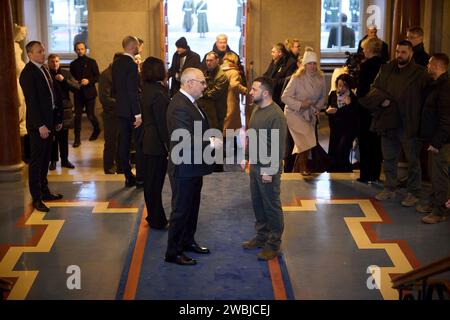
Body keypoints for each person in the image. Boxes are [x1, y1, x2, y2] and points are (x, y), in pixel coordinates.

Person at [359, 40, 430, 206]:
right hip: (388, 121)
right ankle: (390, 188)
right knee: (389, 158)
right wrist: (382, 99)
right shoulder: (387, 68)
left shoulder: (420, 73)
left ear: (411, 53)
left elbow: (427, 98)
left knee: (413, 160)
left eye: (403, 52)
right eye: (398, 51)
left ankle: (414, 192)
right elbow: (374, 88)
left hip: (409, 123)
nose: (399, 55)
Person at [165, 68, 214, 265]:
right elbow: (183, 138)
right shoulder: (179, 105)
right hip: (184, 166)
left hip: (193, 164)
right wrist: (210, 141)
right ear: (189, 83)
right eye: (202, 82)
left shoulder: (191, 103)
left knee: (192, 207)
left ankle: (187, 241)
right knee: (181, 210)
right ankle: (173, 252)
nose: (205, 86)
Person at [241, 76, 287, 261]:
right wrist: (246, 157)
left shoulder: (276, 115)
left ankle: (273, 244)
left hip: (268, 168)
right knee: (258, 203)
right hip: (255, 165)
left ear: (266, 92)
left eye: (254, 89)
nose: (250, 92)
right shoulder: (256, 110)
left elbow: (278, 146)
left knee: (271, 206)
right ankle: (261, 236)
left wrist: (269, 170)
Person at [19, 41, 64, 212]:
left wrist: (58, 118)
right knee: (37, 162)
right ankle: (36, 198)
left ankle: (45, 191)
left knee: (46, 159)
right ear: (30, 54)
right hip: (39, 125)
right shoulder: (28, 73)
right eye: (39, 51)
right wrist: (41, 125)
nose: (42, 53)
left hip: (50, 120)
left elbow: (54, 94)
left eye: (43, 50)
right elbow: (33, 102)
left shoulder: (44, 68)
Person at [281, 49, 326, 176]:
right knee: (307, 136)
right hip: (293, 113)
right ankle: (303, 166)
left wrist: (317, 107)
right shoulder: (297, 78)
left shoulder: (320, 78)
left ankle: (297, 167)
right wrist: (301, 104)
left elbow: (323, 96)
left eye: (314, 63)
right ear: (304, 65)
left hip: (310, 113)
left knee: (304, 142)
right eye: (309, 63)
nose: (312, 66)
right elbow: (284, 97)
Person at [417, 53, 450, 224]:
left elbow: (446, 118)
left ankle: (440, 211)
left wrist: (437, 142)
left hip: (440, 142)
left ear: (437, 66)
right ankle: (432, 203)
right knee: (433, 174)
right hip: (433, 139)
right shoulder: (436, 85)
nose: (427, 67)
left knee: (439, 177)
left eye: (429, 64)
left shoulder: (445, 88)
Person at [141, 57, 170, 229]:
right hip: (156, 144)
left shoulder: (147, 89)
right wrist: (170, 146)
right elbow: (162, 124)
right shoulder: (159, 92)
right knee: (154, 184)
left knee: (151, 183)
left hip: (148, 140)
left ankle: (153, 216)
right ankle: (157, 219)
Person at [112, 36, 143, 188]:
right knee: (139, 144)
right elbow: (133, 91)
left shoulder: (116, 63)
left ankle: (127, 175)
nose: (139, 48)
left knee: (123, 144)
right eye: (137, 46)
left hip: (120, 110)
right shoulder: (131, 65)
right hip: (132, 111)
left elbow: (115, 89)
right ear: (132, 47)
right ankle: (141, 176)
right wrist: (138, 113)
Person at [356, 37, 385, 183]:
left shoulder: (366, 66)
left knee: (365, 142)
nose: (363, 51)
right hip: (380, 109)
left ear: (369, 49)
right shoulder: (385, 65)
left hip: (366, 109)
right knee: (376, 143)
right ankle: (375, 174)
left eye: (363, 49)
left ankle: (365, 175)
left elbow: (361, 91)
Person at [48, 53, 78, 170]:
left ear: (59, 62)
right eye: (52, 62)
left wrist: (64, 80)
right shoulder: (47, 74)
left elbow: (76, 88)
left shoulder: (65, 73)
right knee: (53, 137)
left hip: (65, 110)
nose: (54, 64)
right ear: (48, 63)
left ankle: (65, 160)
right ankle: (53, 161)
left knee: (64, 137)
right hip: (51, 109)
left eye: (56, 61)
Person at [69, 41, 101, 147]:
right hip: (78, 93)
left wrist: (88, 80)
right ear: (75, 50)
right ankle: (77, 139)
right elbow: (71, 79)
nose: (80, 51)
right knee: (77, 116)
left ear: (85, 49)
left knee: (90, 115)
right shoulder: (73, 64)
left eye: (82, 49)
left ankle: (97, 129)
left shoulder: (92, 62)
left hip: (90, 93)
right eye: (78, 49)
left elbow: (98, 77)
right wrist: (75, 83)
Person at [326, 74, 358, 172]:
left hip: (348, 128)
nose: (341, 88)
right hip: (335, 127)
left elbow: (354, 114)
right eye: (339, 85)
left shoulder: (352, 96)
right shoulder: (332, 94)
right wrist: (328, 112)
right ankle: (334, 170)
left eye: (344, 86)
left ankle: (345, 169)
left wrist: (349, 105)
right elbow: (327, 109)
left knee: (343, 148)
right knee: (334, 150)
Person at [99, 53, 122, 174]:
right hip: (111, 114)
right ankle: (109, 167)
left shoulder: (119, 73)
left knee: (120, 142)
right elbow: (104, 98)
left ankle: (120, 166)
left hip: (120, 113)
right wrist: (122, 102)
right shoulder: (106, 75)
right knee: (111, 142)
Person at [221, 52, 247, 155]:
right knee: (230, 127)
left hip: (221, 101)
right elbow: (234, 84)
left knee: (224, 126)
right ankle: (230, 151)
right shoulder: (233, 72)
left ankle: (222, 150)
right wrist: (244, 90)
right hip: (231, 101)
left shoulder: (220, 70)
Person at [263, 43, 297, 109]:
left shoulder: (291, 63)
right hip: (272, 92)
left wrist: (274, 82)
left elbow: (288, 80)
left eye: (273, 52)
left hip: (281, 95)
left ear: (280, 53)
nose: (271, 54)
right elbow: (268, 73)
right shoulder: (275, 60)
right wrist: (263, 80)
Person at [14, 24, 30, 163]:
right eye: (22, 33)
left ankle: (24, 152)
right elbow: (18, 66)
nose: (23, 36)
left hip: (19, 81)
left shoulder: (16, 47)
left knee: (23, 111)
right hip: (15, 82)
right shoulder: (12, 47)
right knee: (19, 109)